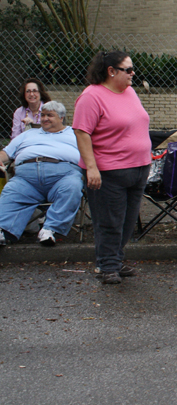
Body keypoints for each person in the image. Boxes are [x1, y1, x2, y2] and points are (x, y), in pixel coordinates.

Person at [73, 51, 152, 285]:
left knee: (127, 222)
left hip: (138, 169)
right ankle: (107, 266)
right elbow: (81, 132)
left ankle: (115, 260)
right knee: (109, 221)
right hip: (108, 172)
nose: (133, 73)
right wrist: (91, 167)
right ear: (111, 71)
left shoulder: (130, 92)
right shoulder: (92, 96)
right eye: (128, 69)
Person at [0, 101, 82, 247]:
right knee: (11, 191)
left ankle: (49, 230)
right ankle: (4, 230)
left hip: (63, 175)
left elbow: (90, 154)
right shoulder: (28, 134)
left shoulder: (75, 134)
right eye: (42, 115)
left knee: (73, 186)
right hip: (26, 179)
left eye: (50, 115)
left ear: (61, 118)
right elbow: (6, 153)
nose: (45, 118)